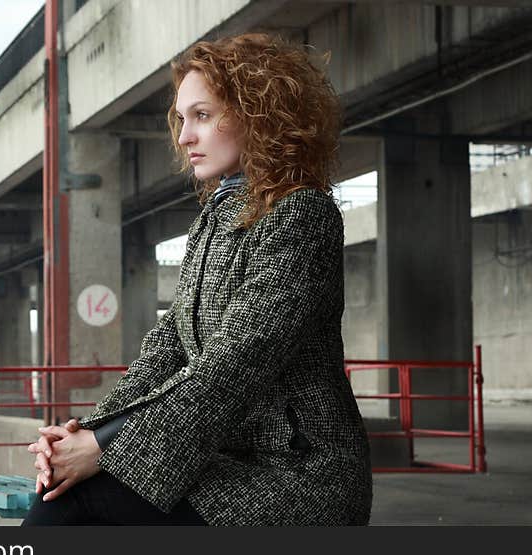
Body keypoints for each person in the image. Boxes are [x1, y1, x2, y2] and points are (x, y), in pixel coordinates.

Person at [23, 33, 372, 526]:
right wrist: (82, 434)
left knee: (76, 499)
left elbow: (232, 367)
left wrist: (104, 449)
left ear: (259, 114)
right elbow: (166, 351)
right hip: (231, 461)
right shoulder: (214, 220)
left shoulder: (301, 216)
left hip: (298, 475)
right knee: (61, 485)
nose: (184, 136)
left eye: (202, 116)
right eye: (182, 119)